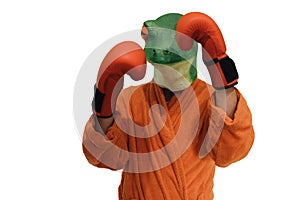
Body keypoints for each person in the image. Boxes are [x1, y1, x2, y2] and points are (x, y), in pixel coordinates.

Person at [82, 12, 255, 200]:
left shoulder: (212, 99)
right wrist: (104, 100)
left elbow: (230, 152)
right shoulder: (131, 99)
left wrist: (222, 71)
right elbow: (106, 157)